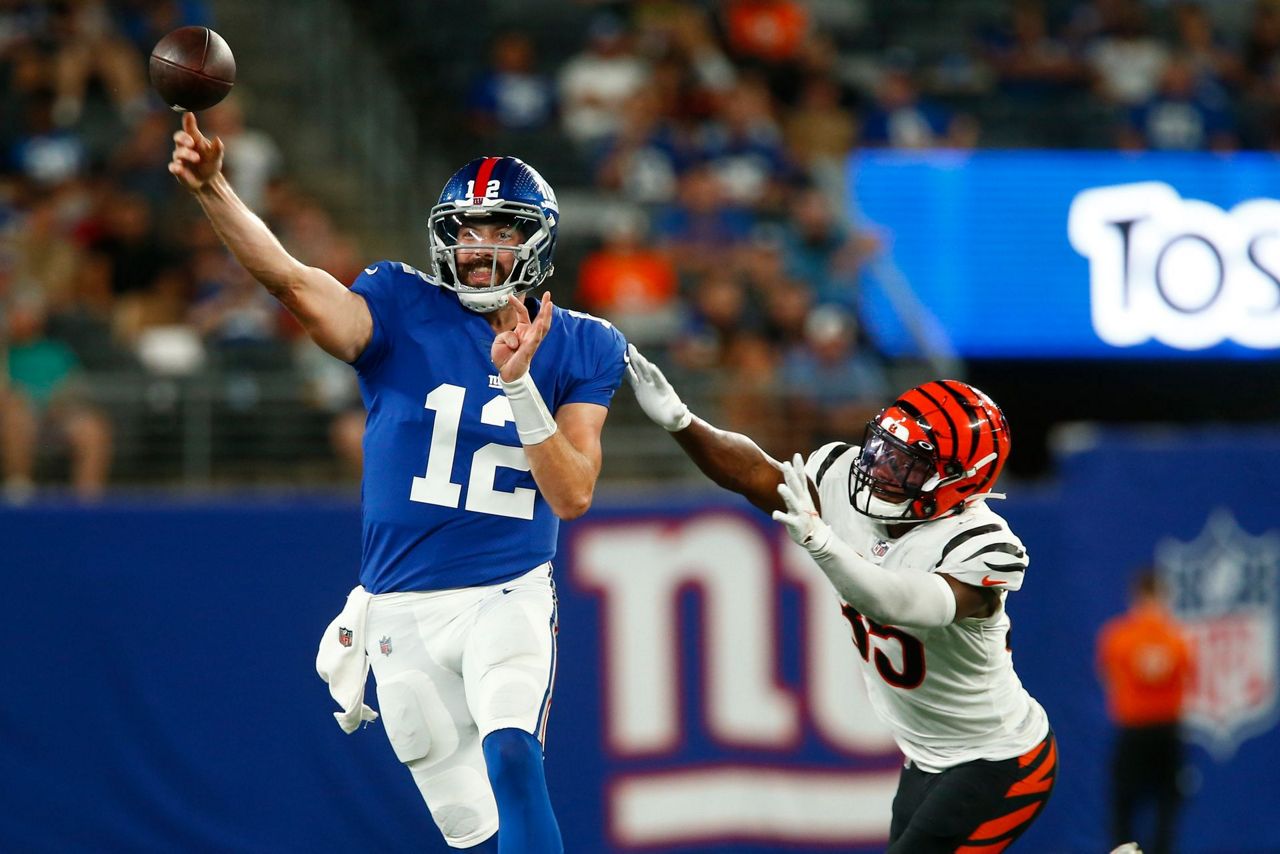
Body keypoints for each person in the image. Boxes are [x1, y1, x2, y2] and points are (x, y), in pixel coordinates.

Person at [169, 112, 627, 853]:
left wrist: (520, 386)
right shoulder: (398, 302)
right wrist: (214, 188)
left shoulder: (583, 343)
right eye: (466, 229)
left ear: (536, 241)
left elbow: (573, 494)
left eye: (501, 230)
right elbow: (289, 279)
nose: (479, 248)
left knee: (514, 757)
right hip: (400, 606)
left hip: (506, 590)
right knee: (469, 827)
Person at [627, 347, 1056, 852]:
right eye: (884, 448)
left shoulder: (982, 545)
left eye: (908, 464)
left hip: (999, 757)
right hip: (925, 757)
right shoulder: (841, 476)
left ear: (960, 479)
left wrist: (823, 544)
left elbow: (900, 602)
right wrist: (682, 422)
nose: (881, 468)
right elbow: (756, 474)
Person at [1096, 567, 1195, 854]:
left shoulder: (1118, 637)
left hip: (1134, 730)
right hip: (1167, 730)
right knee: (1166, 806)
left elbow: (1108, 676)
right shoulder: (1177, 637)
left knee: (1124, 805)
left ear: (1135, 596)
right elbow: (1185, 675)